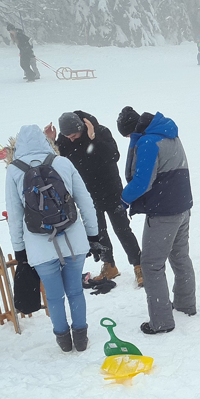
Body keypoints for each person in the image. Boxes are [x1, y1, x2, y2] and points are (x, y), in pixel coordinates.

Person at [6, 124, 101, 353]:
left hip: (40, 245)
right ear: (45, 142)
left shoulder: (14, 170)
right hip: (73, 238)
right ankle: (80, 336)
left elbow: (15, 215)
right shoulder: (63, 163)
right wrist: (93, 234)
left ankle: (63, 340)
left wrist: (20, 250)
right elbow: (85, 201)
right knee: (76, 291)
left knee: (54, 296)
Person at [122, 112, 196, 335]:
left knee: (152, 265)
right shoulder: (169, 134)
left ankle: (161, 322)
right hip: (183, 207)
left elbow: (142, 182)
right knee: (180, 257)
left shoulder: (148, 142)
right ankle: (185, 304)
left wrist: (123, 198)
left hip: (164, 212)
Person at [56, 111, 142, 287]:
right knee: (99, 231)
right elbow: (59, 161)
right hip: (87, 193)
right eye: (67, 136)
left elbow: (113, 156)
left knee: (122, 229)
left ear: (81, 127)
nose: (71, 139)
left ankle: (139, 266)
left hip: (111, 189)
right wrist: (53, 142)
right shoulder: (65, 140)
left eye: (73, 135)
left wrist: (94, 138)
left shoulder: (100, 131)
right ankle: (109, 265)